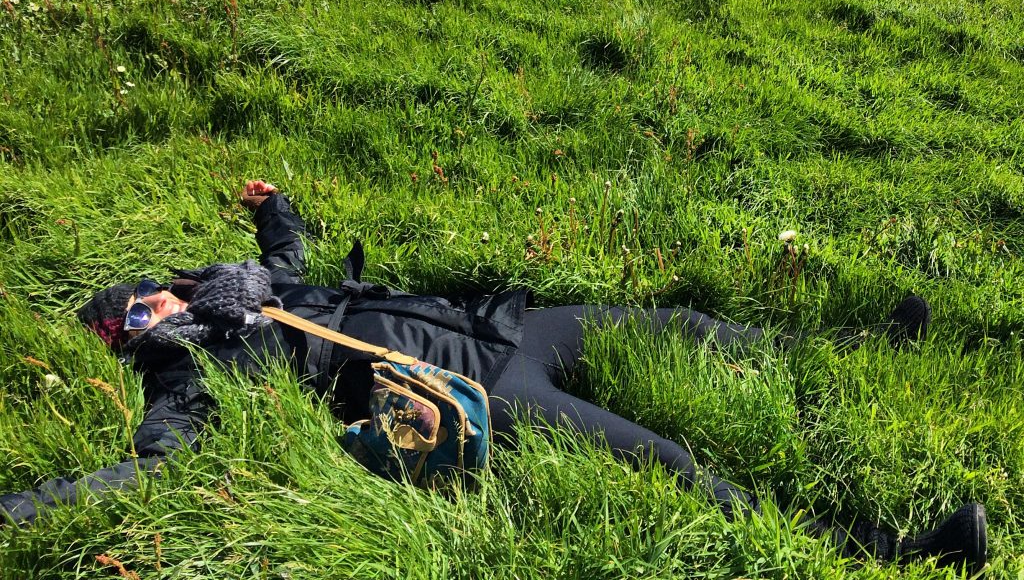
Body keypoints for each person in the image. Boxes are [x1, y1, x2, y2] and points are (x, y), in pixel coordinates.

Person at [0, 181, 987, 571]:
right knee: (667, 460)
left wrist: (273, 214)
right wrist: (30, 507)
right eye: (135, 313)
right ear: (124, 341)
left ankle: (858, 355)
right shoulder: (188, 370)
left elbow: (293, 272)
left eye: (157, 292)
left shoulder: (243, 297)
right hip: (479, 394)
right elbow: (161, 460)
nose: (159, 304)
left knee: (683, 327)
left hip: (503, 323)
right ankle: (885, 551)